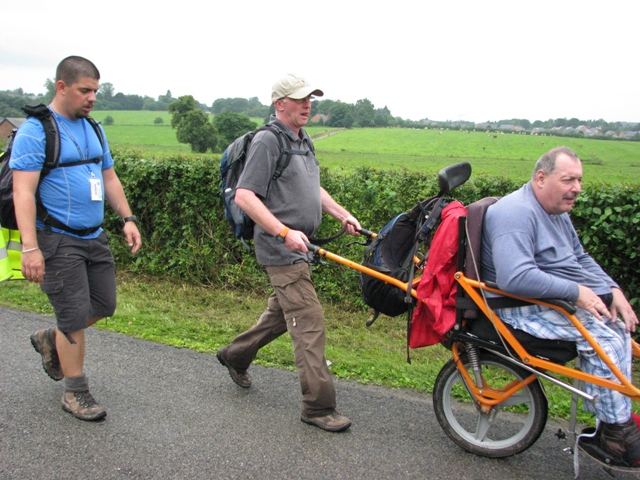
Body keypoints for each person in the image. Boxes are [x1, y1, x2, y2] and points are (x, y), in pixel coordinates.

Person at [216, 73, 361, 432]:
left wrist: (342, 214)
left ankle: (235, 355)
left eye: (310, 98)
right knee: (308, 323)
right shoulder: (268, 141)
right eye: (299, 99)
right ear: (280, 103)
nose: (307, 104)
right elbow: (245, 196)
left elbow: (312, 187)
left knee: (282, 315)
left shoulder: (302, 139)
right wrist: (283, 231)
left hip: (302, 246)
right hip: (281, 249)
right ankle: (318, 407)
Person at [481, 146, 640, 466]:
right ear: (541, 178)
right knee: (605, 340)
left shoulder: (556, 212)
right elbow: (515, 277)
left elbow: (579, 259)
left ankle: (613, 420)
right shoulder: (515, 214)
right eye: (569, 180)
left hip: (549, 299)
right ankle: (615, 435)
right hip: (517, 305)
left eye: (579, 180)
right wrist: (577, 293)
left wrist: (611, 289)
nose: (577, 188)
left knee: (618, 328)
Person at [11, 56, 142, 421]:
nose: (92, 98)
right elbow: (23, 193)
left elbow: (110, 177)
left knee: (103, 305)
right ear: (62, 87)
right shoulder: (36, 132)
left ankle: (50, 338)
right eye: (85, 90)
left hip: (94, 236)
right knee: (72, 317)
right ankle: (75, 393)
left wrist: (127, 218)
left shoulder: (93, 128)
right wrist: (30, 248)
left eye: (96, 91)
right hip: (55, 239)